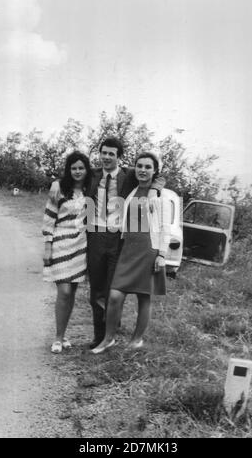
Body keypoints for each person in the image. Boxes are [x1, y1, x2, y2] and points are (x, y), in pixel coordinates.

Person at [86, 138, 165, 349]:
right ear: (99, 153)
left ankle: (128, 337)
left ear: (119, 157)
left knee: (128, 293)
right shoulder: (92, 174)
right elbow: (69, 177)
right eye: (104, 153)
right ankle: (101, 336)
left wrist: (155, 189)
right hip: (96, 234)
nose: (107, 157)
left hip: (126, 243)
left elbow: (159, 178)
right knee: (98, 291)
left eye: (112, 154)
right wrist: (57, 182)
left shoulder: (129, 176)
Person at [42, 151, 92, 353]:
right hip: (60, 244)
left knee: (71, 293)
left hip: (81, 245)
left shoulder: (91, 190)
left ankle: (64, 335)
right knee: (63, 291)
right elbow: (48, 218)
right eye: (73, 168)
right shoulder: (59, 190)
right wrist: (47, 246)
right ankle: (57, 337)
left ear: (86, 169)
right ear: (68, 170)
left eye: (81, 168)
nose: (77, 171)